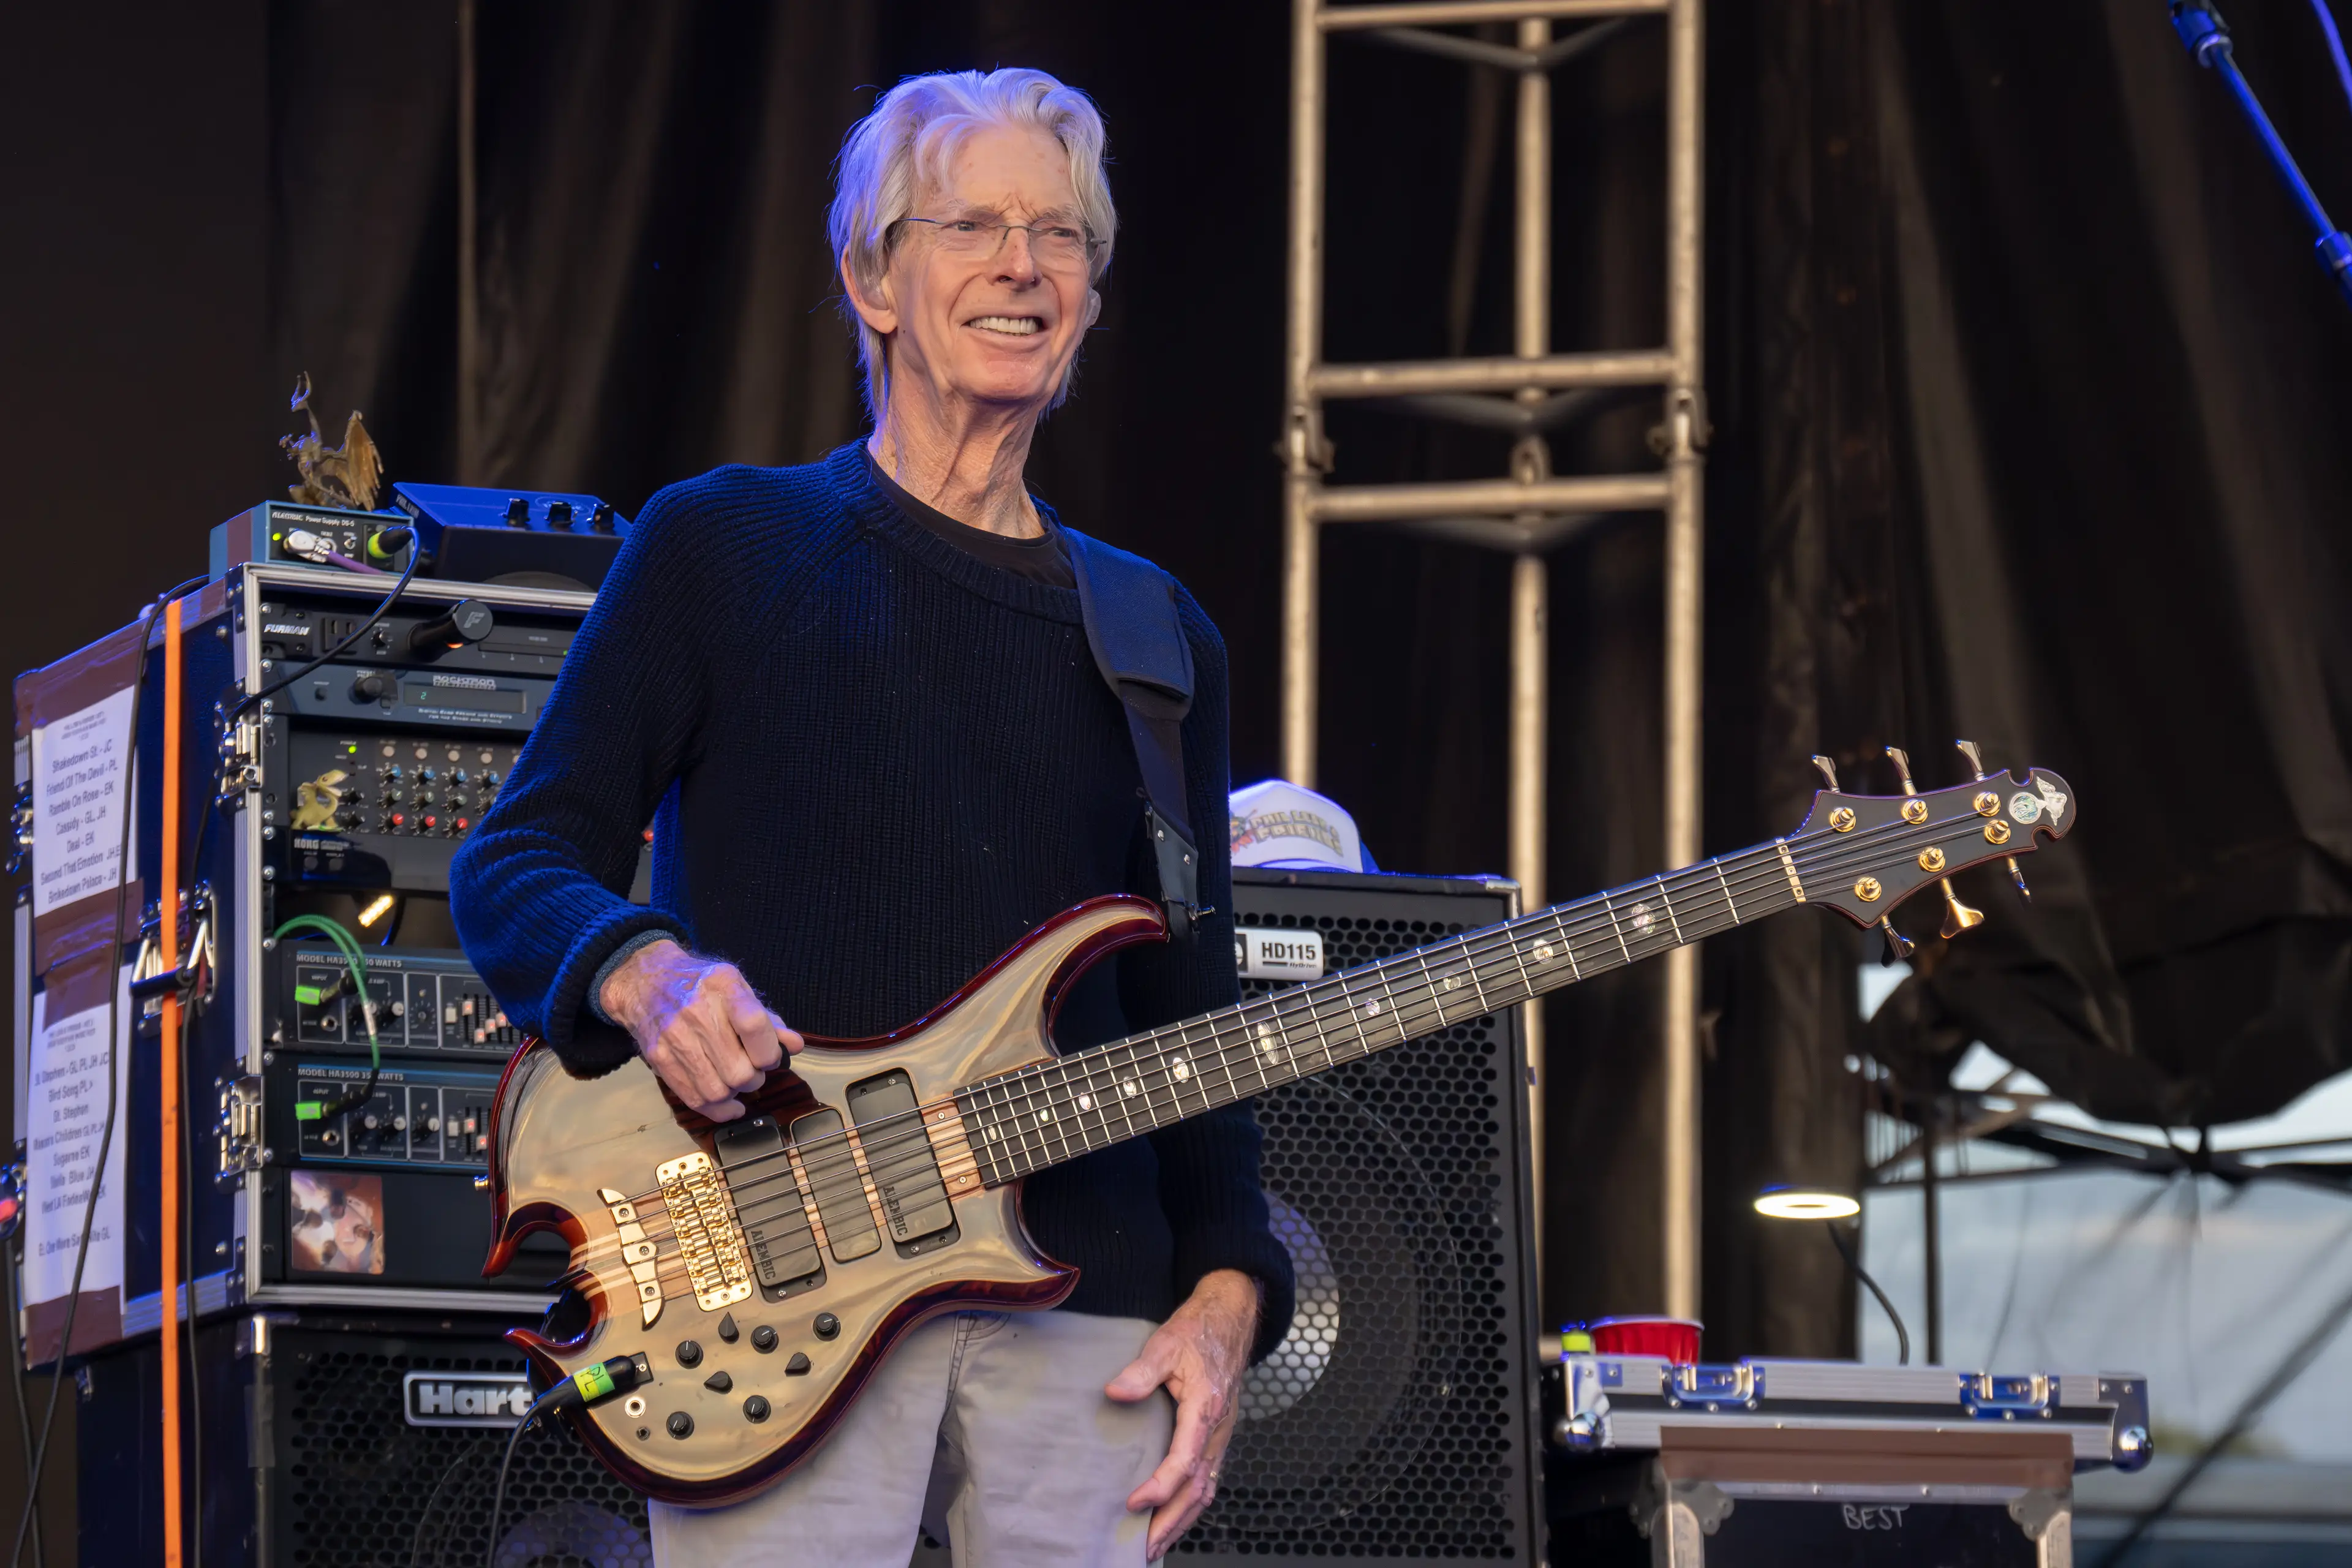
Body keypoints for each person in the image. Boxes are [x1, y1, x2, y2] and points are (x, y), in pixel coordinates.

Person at [450, 67, 1294, 1566]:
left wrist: (1230, 1294)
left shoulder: (1155, 636)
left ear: (1092, 300)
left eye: (1061, 237)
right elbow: (516, 860)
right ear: (872, 277)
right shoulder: (721, 546)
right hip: (774, 1294)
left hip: (1083, 1319)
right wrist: (652, 971)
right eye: (972, 223)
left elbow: (1196, 1019)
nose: (1022, 267)